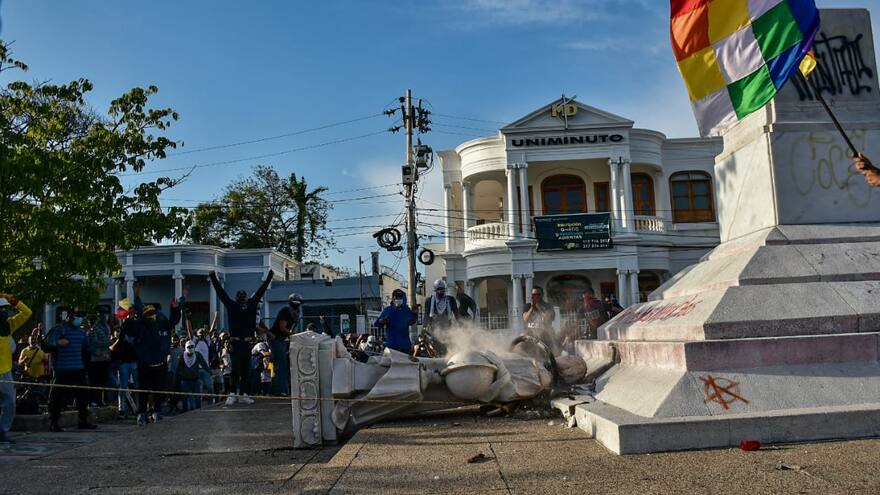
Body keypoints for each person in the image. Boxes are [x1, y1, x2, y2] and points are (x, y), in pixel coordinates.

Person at [210, 270, 273, 406]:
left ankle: (244, 394)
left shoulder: (251, 304)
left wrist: (269, 277)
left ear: (245, 297)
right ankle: (232, 394)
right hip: (235, 342)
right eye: (240, 295)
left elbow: (261, 291)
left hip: (248, 343)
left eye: (243, 295)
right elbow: (221, 292)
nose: (242, 297)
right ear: (237, 297)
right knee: (235, 369)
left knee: (246, 370)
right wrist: (212, 277)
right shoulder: (232, 305)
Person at [46, 310, 97, 432]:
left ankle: (83, 420)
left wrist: (99, 352)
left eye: (81, 317)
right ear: (70, 317)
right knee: (57, 397)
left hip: (78, 369)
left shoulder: (82, 333)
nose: (79, 319)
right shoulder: (60, 330)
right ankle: (54, 422)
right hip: (62, 369)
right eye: (77, 317)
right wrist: (58, 342)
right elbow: (48, 343)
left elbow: (88, 348)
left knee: (83, 396)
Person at [134, 301, 180, 426]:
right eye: (149, 315)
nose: (152, 317)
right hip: (144, 365)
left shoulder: (162, 322)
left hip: (160, 365)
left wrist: (175, 309)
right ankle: (141, 414)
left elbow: (173, 321)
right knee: (143, 392)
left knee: (159, 391)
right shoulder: (140, 326)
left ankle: (157, 412)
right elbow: (129, 328)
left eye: (153, 314)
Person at [0, 294, 32, 443]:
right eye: (1, 309)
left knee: (10, 404)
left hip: (6, 372)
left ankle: (3, 431)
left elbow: (27, 313)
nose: (4, 312)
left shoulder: (8, 326)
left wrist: (13, 301)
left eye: (5, 309)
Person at [112, 298, 140, 419]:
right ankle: (123, 409)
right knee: (125, 387)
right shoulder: (126, 325)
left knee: (135, 387)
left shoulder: (136, 324)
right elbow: (120, 343)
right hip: (126, 360)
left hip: (133, 360)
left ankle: (137, 408)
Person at [268, 293, 300, 396]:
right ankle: (281, 390)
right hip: (275, 337)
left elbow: (293, 327)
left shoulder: (296, 312)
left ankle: (274, 390)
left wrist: (292, 337)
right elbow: (282, 327)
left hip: (283, 339)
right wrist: (294, 336)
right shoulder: (285, 311)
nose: (297, 304)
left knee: (283, 364)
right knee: (281, 364)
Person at [376, 289, 417, 354]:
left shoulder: (406, 310)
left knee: (406, 364)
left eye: (400, 297)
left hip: (405, 347)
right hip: (392, 347)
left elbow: (411, 322)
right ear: (392, 299)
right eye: (397, 297)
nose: (399, 299)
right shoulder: (387, 310)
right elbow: (377, 324)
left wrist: (415, 314)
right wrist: (382, 321)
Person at [173, 340, 210, 412]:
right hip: (185, 381)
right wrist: (174, 380)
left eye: (192, 346)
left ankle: (199, 411)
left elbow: (204, 364)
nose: (190, 348)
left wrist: (209, 371)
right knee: (184, 398)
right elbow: (177, 369)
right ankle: (185, 412)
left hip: (195, 380)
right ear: (186, 347)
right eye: (189, 347)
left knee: (197, 398)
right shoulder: (181, 356)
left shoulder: (197, 355)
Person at [88, 306, 112, 407]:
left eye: (106, 314)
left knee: (103, 381)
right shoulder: (95, 327)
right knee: (95, 381)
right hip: (96, 358)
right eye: (103, 314)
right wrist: (108, 342)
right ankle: (94, 400)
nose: (105, 316)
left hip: (105, 357)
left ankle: (100, 400)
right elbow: (94, 342)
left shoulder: (107, 326)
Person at [190, 328, 213, 405]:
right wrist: (188, 320)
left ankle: (210, 405)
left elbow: (212, 329)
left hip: (205, 369)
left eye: (203, 332)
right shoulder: (194, 341)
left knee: (210, 388)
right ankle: (198, 407)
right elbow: (190, 330)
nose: (202, 334)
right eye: (200, 333)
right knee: (198, 390)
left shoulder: (207, 341)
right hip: (196, 369)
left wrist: (216, 318)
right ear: (197, 334)